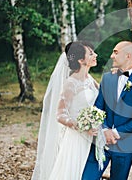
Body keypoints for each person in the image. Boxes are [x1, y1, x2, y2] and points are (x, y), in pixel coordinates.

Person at [82, 41, 132, 180]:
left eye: (115, 52)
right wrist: (104, 130)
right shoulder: (108, 78)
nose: (111, 56)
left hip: (127, 144)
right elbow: (98, 108)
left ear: (127, 56)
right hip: (101, 141)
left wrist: (115, 133)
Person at [32, 41, 100, 180]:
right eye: (91, 53)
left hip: (92, 136)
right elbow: (60, 114)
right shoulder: (71, 83)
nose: (95, 55)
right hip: (77, 138)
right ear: (81, 60)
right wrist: (82, 126)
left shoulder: (90, 79)